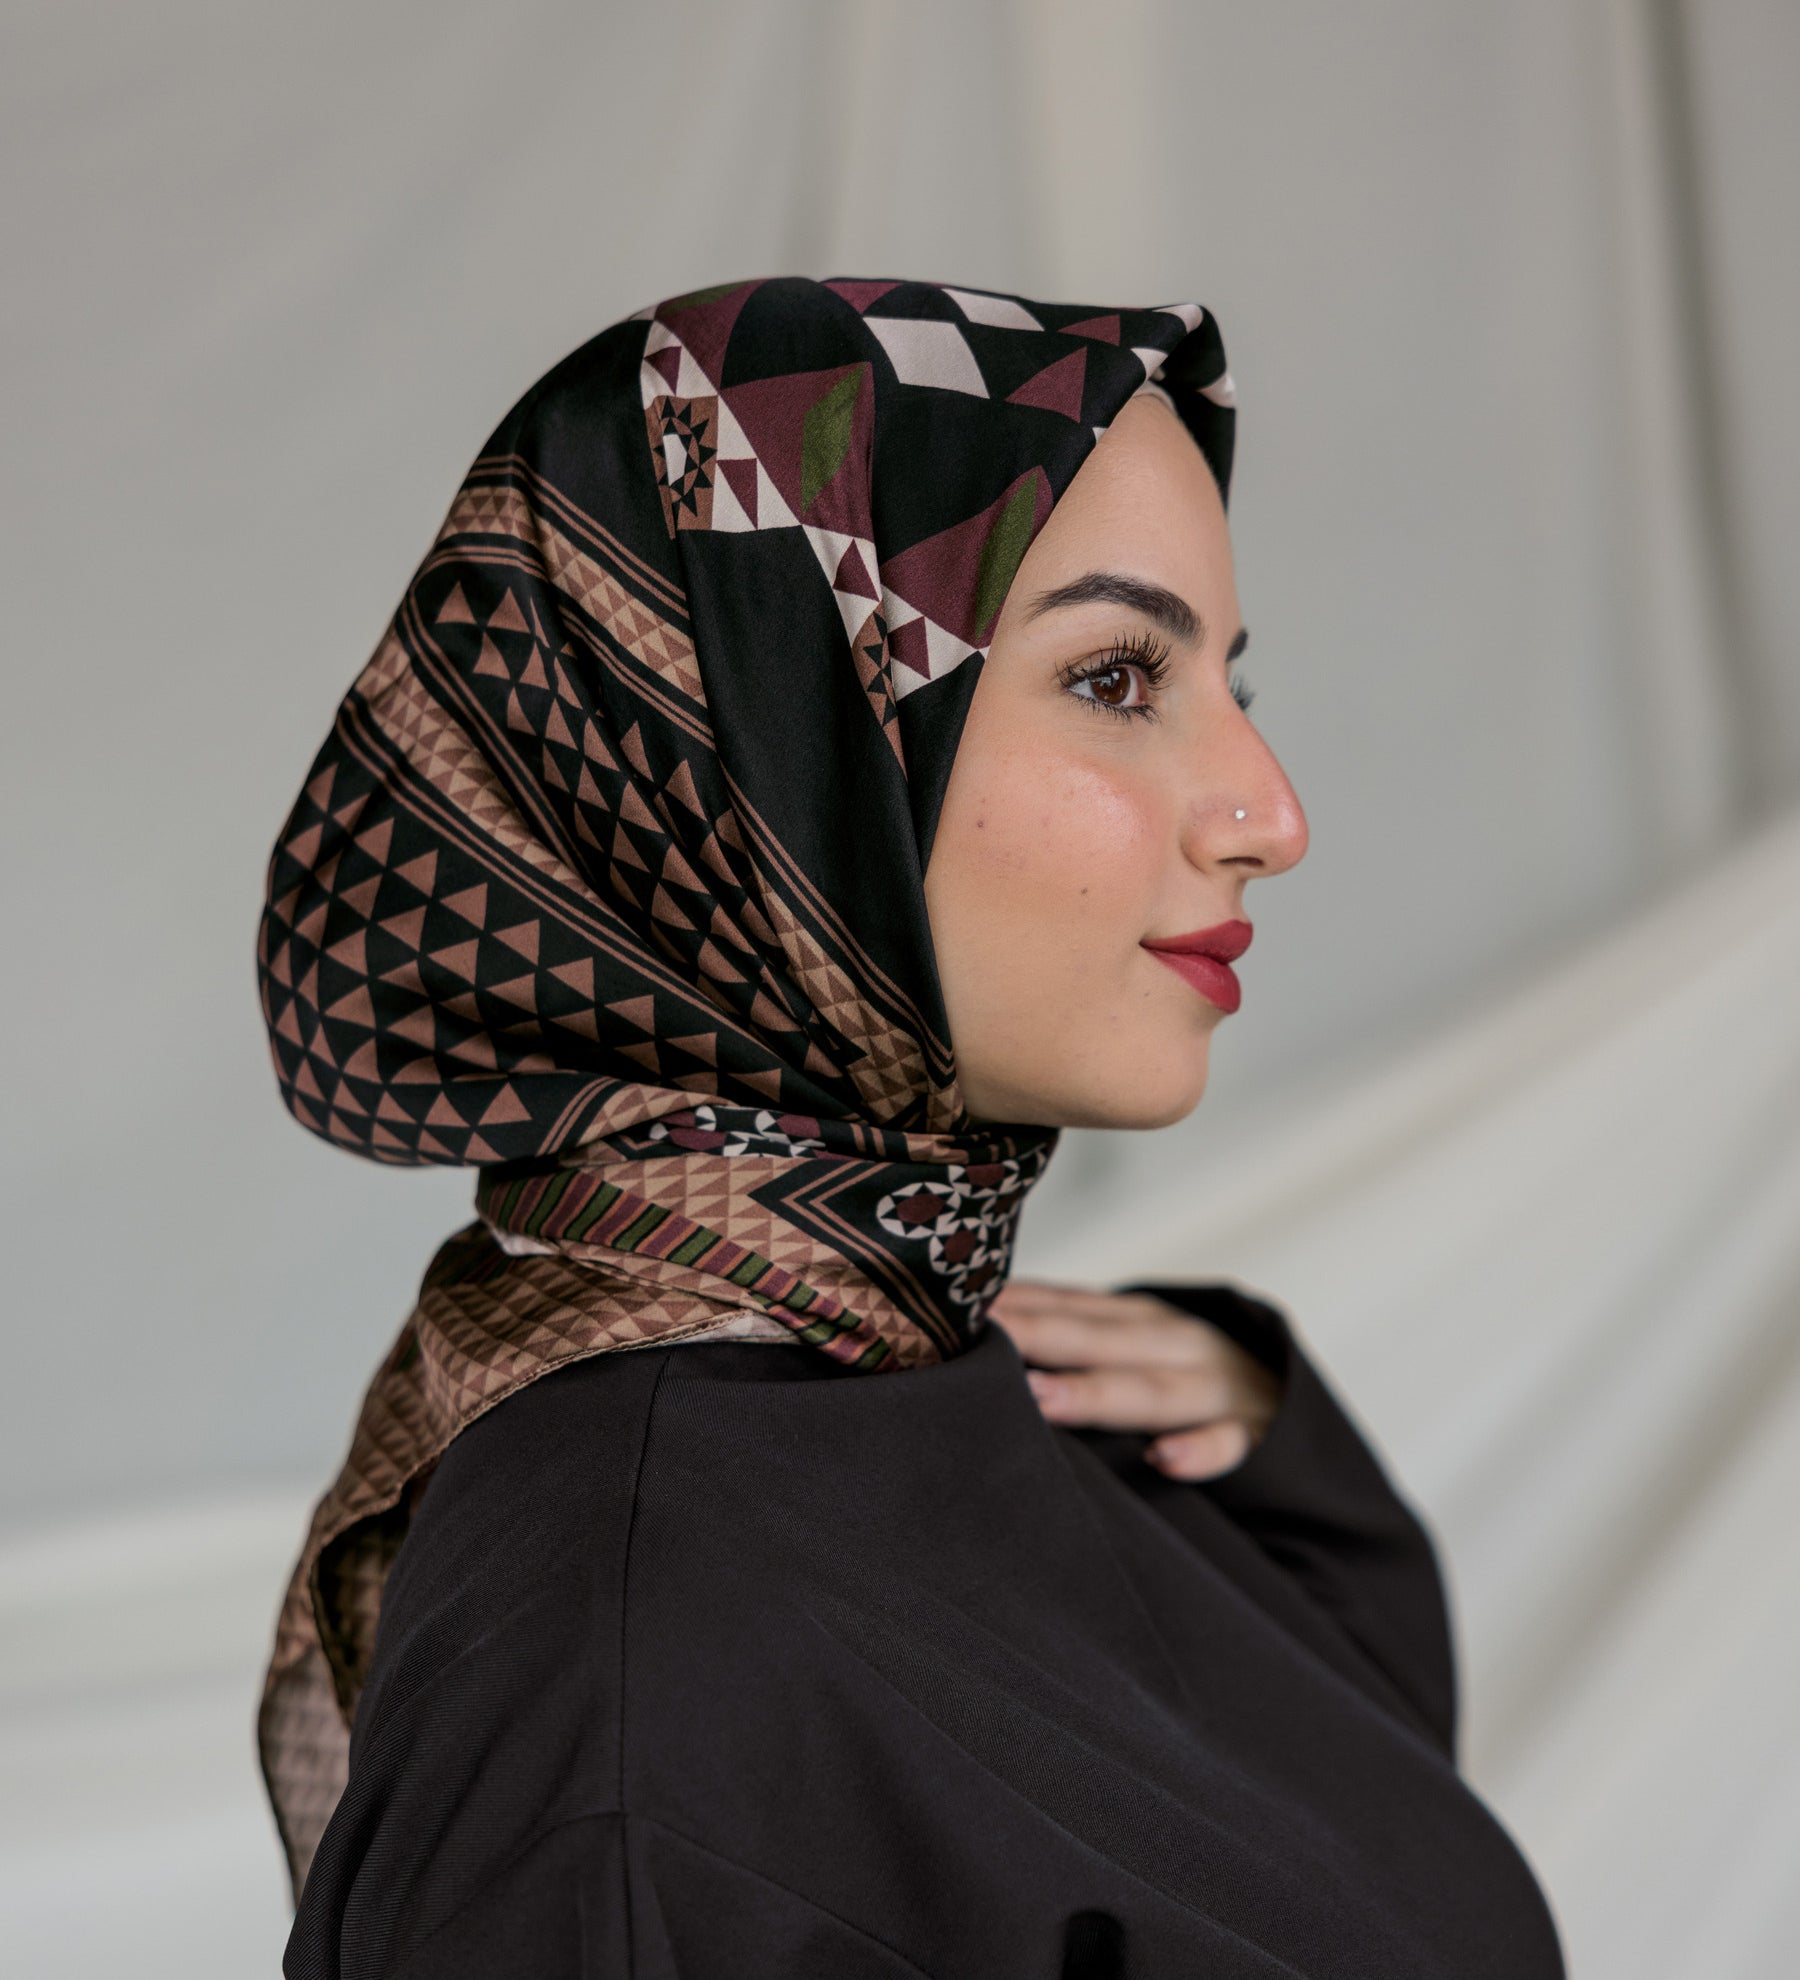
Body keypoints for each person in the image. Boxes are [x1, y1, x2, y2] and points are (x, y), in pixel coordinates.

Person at [255, 276, 1567, 1977]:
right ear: (766, 755)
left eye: (1229, 682)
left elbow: (1348, 1866)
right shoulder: (631, 1687)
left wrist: (1270, 1449)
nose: (1271, 814)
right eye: (1117, 676)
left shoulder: (937, 1375)